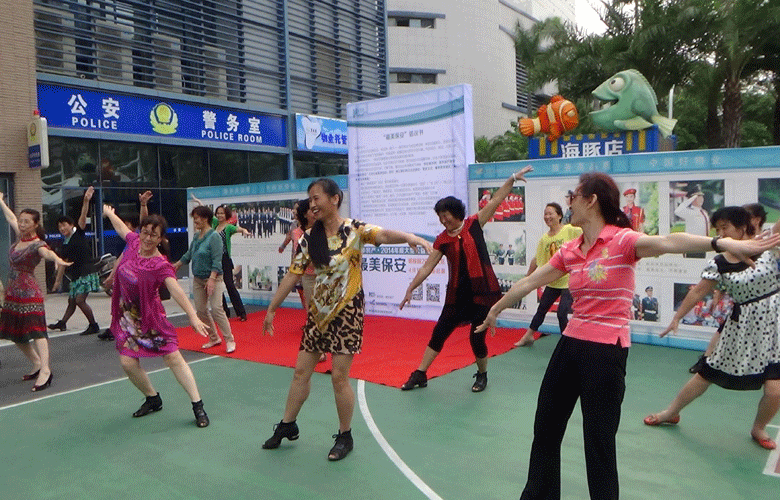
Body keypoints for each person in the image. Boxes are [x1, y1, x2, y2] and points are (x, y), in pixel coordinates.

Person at [475, 173, 780, 500]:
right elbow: (530, 281)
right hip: (570, 345)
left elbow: (669, 242)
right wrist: (496, 309)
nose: (569, 203)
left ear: (591, 200)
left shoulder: (622, 241)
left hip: (606, 352)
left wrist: (721, 243)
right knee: (546, 429)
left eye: (574, 196)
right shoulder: (571, 249)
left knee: (599, 442)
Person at [261, 178, 432, 461]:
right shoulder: (308, 238)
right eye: (310, 200)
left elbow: (383, 235)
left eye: (316, 198)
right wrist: (272, 308)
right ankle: (288, 424)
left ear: (334, 199)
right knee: (301, 372)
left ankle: (345, 435)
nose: (312, 205)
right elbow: (293, 273)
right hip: (318, 314)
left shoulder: (354, 230)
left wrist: (411, 237)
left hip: (347, 313)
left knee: (339, 378)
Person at [646, 206, 780, 450]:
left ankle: (758, 428)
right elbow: (698, 292)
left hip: (776, 327)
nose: (721, 234)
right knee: (706, 374)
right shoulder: (718, 263)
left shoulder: (765, 245)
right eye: (717, 229)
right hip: (742, 329)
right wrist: (677, 318)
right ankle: (671, 412)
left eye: (725, 227)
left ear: (743, 227)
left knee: (775, 389)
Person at [399, 166, 533, 393]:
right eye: (440, 217)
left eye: (446, 215)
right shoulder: (442, 240)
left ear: (456, 212)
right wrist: (411, 288)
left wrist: (512, 179)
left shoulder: (474, 224)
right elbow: (427, 267)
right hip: (457, 295)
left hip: (483, 293)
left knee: (476, 338)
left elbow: (497, 200)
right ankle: (420, 373)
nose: (443, 220)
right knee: (439, 333)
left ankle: (482, 374)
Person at [102, 205, 211, 427]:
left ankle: (197, 405)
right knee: (127, 363)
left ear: (160, 239)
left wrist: (193, 316)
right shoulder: (134, 243)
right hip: (128, 318)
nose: (147, 238)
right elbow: (122, 228)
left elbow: (176, 291)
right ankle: (153, 398)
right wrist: (110, 213)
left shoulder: (160, 264)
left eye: (154, 235)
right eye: (145, 232)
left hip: (151, 319)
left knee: (173, 358)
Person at [0, 193, 71, 391]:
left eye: (26, 222)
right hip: (13, 293)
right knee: (13, 332)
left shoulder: (37, 243)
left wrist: (56, 259)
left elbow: (47, 253)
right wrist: (1, 202)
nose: (22, 224)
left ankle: (45, 370)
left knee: (37, 331)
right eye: (21, 221)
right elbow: (11, 218)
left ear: (35, 224)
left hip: (30, 293)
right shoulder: (20, 237)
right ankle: (37, 363)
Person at [514, 202, 581, 347]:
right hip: (553, 280)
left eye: (551, 213)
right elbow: (537, 260)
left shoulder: (569, 230)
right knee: (542, 309)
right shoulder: (544, 239)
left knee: (561, 313)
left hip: (569, 280)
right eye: (545, 214)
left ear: (560, 216)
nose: (547, 216)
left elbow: (587, 234)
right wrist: (527, 278)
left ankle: (566, 344)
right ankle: (528, 336)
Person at [173, 205, 236, 353]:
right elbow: (189, 254)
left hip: (214, 278)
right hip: (198, 279)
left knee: (217, 308)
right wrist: (177, 265)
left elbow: (217, 261)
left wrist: (212, 279)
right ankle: (214, 337)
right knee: (201, 310)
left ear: (205, 218)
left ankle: (229, 339)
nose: (195, 221)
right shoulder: (196, 237)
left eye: (197, 218)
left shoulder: (214, 237)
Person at [48, 186, 102, 335]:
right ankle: (62, 323)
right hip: (76, 274)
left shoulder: (78, 233)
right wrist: (57, 282)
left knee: (79, 300)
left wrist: (86, 200)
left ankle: (94, 325)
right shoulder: (64, 244)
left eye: (64, 225)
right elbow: (63, 263)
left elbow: (83, 216)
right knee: (71, 301)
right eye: (59, 226)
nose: (62, 228)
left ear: (71, 225)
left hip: (86, 272)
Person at [98, 191, 151, 341]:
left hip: (140, 285)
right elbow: (120, 260)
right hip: (125, 284)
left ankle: (140, 332)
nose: (125, 226)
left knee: (138, 311)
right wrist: (111, 277)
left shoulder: (141, 240)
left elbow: (144, 221)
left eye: (128, 224)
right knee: (120, 308)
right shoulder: (132, 242)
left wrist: (143, 205)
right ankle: (116, 330)